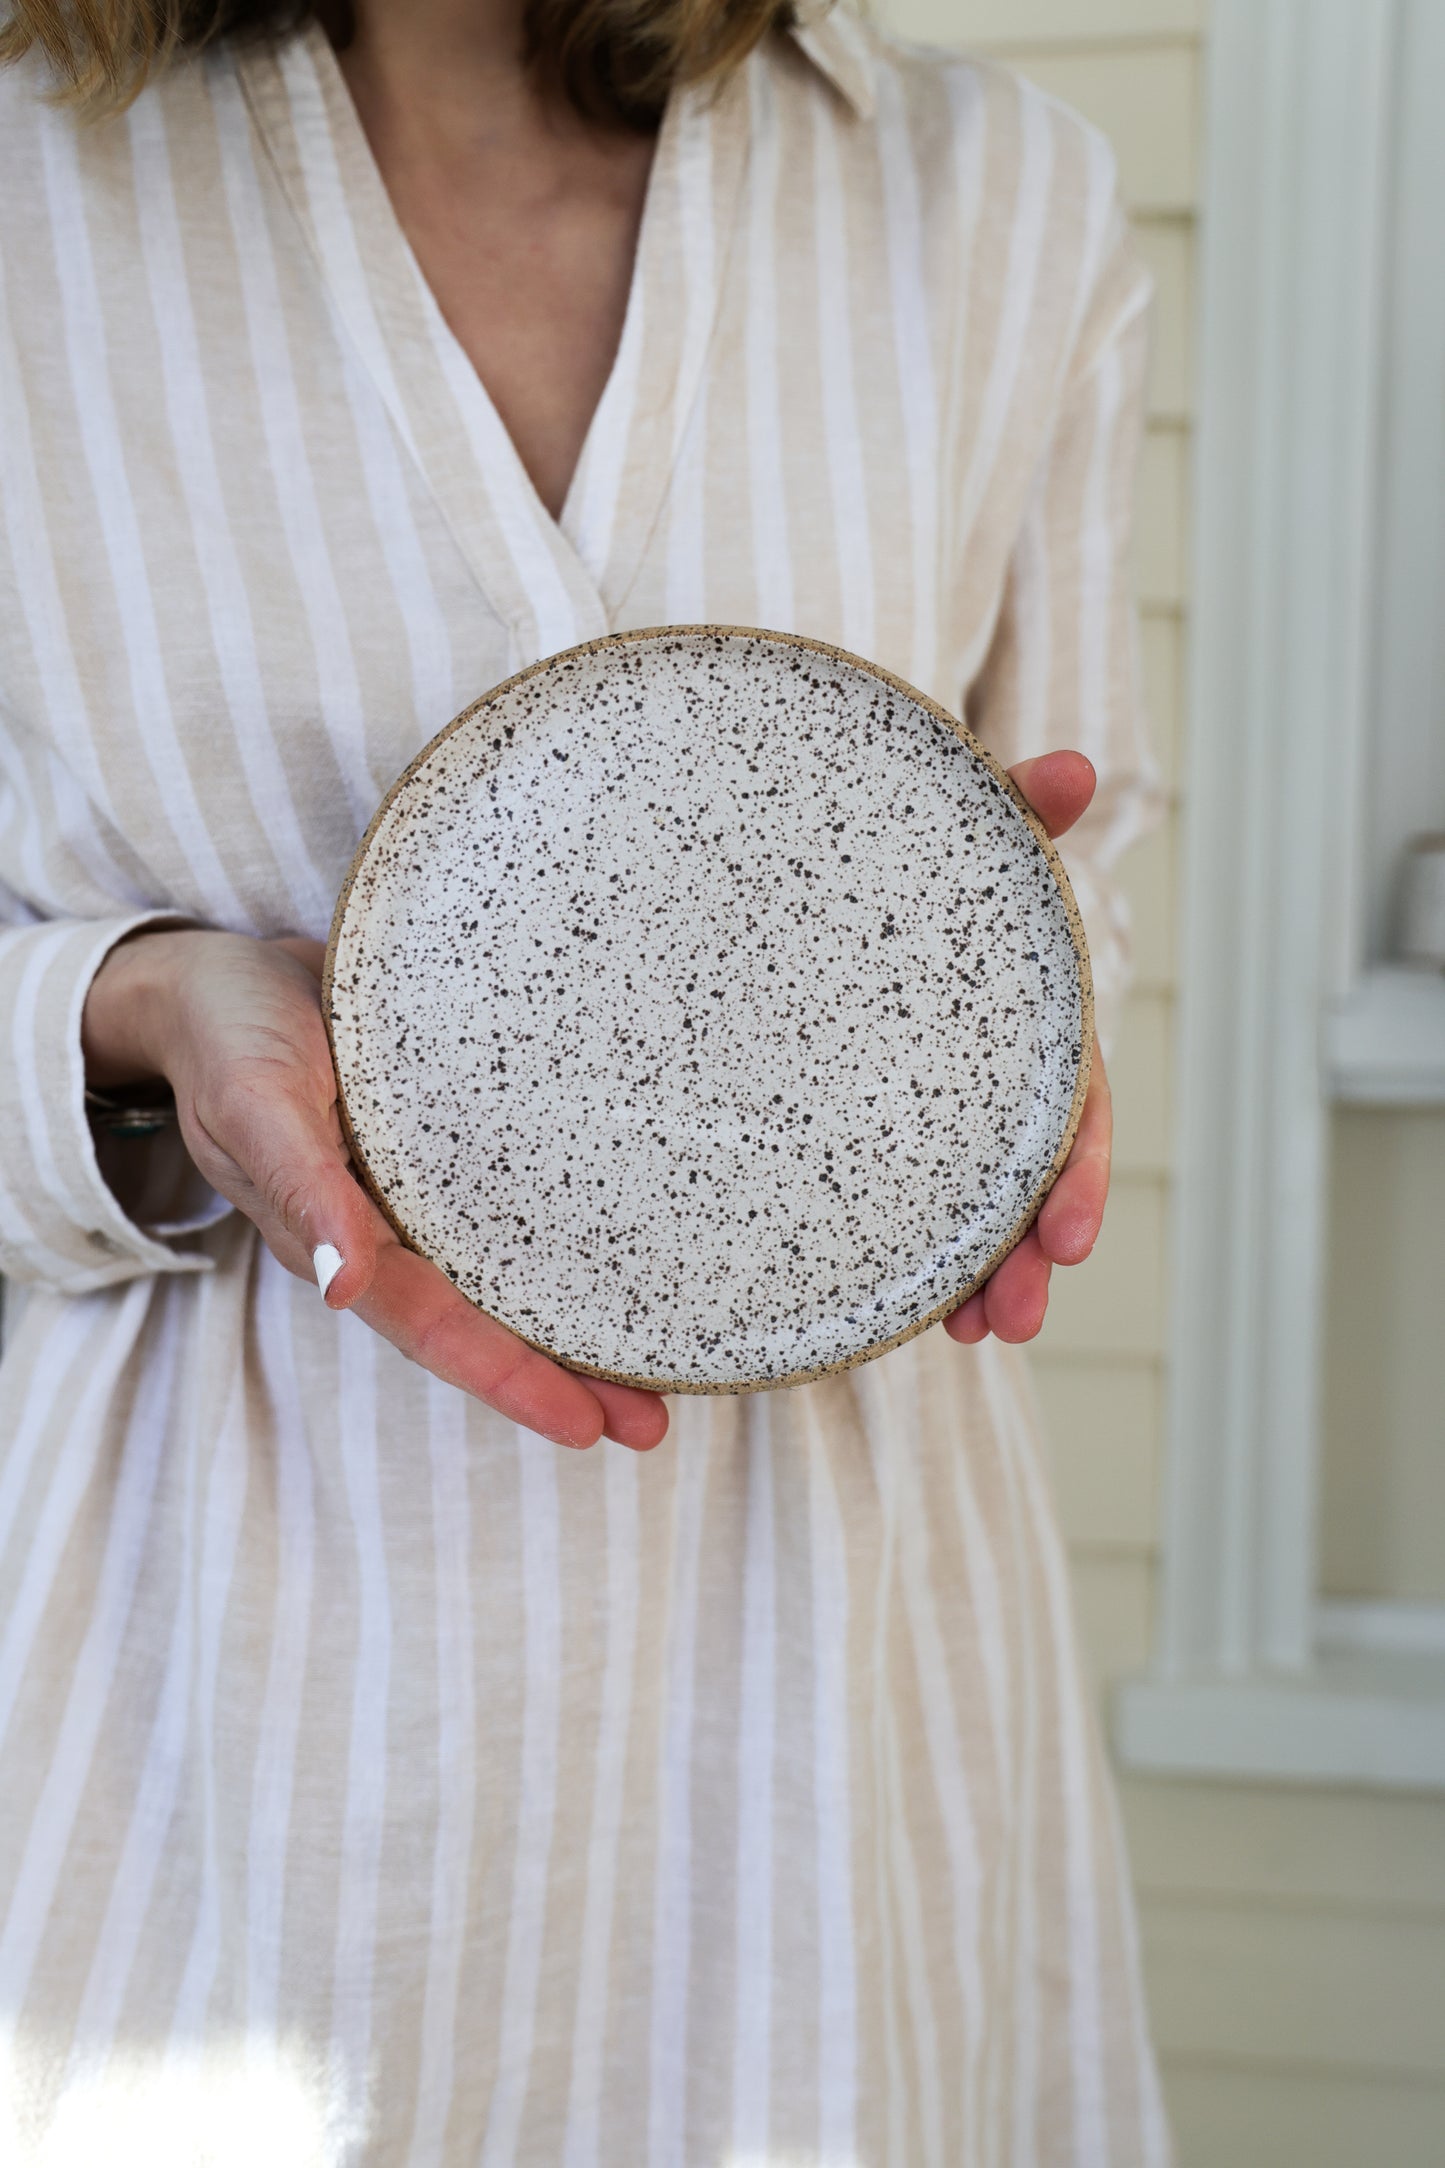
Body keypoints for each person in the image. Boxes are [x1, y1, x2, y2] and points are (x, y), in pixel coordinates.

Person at [0, 0, 1169, 2158]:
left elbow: (1078, 874)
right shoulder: (32, 202)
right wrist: (140, 1010)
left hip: (829, 1663)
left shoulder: (990, 200)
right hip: (198, 1694)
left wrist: (1016, 1019)